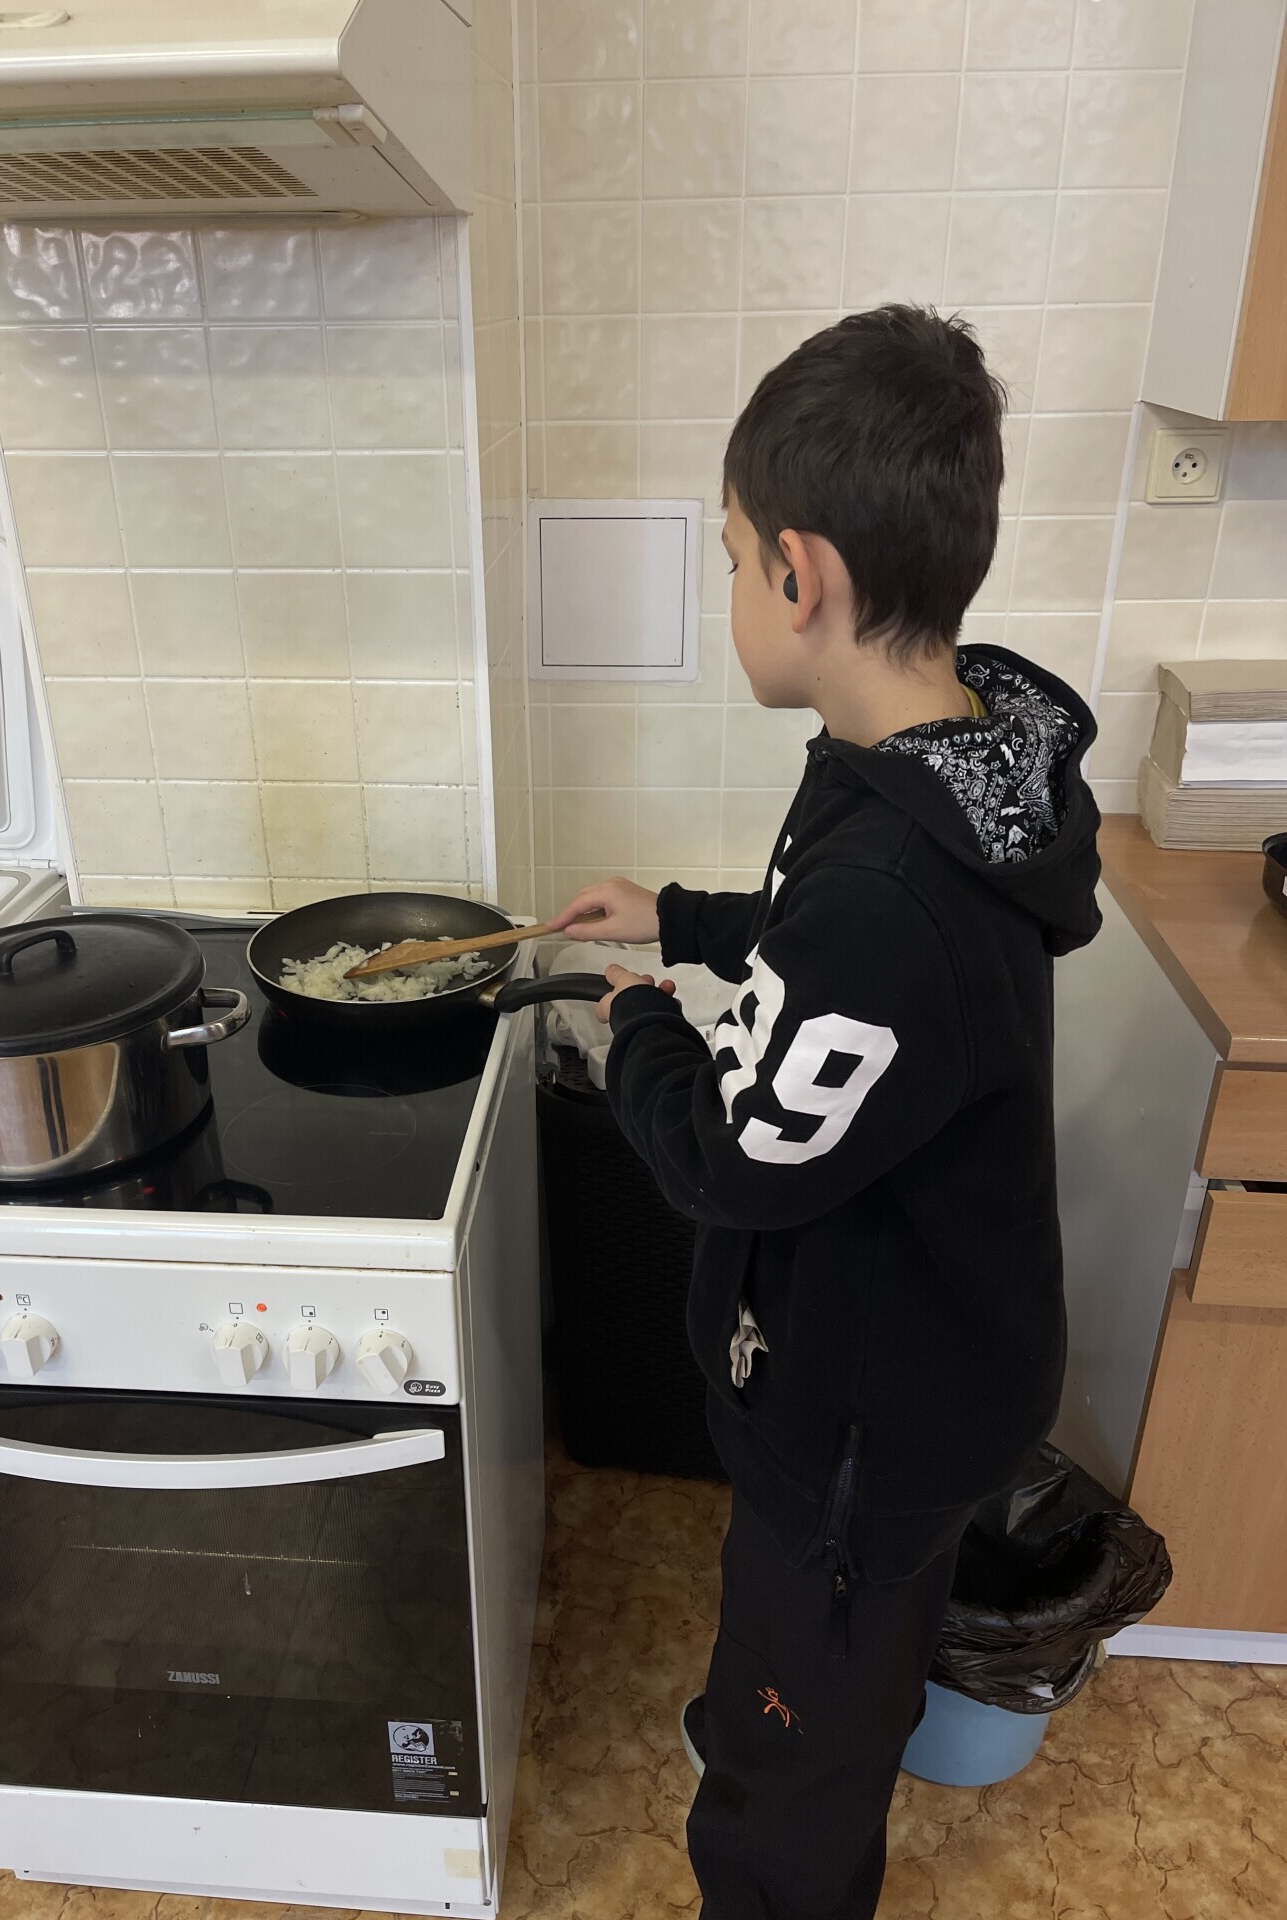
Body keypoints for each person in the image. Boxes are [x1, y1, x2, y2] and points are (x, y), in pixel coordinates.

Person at [548, 305, 1102, 1920]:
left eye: (731, 559)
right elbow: (820, 940)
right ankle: (795, 1707)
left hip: (871, 1420)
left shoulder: (896, 891)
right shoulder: (937, 744)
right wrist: (683, 917)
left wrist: (640, 1028)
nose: (731, 586)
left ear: (802, 577)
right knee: (821, 1642)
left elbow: (730, 1158)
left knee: (796, 1766)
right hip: (921, 1360)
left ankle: (785, 1789)